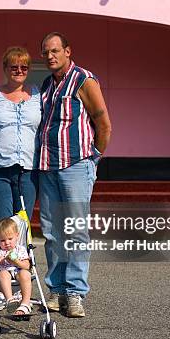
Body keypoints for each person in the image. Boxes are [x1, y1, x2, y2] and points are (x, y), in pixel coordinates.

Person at [37, 32, 112, 318]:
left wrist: (93, 159)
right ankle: (56, 289)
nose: (50, 56)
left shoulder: (84, 80)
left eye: (55, 50)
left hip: (76, 166)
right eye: (45, 52)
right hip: (48, 168)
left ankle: (75, 292)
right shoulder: (46, 84)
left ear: (68, 51)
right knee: (53, 233)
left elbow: (103, 123)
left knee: (76, 231)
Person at [0, 46, 41, 220]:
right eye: (14, 66)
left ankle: (24, 250)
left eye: (24, 67)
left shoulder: (39, 96)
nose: (19, 70)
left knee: (22, 222)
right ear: (5, 68)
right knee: (2, 222)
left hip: (28, 170)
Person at [0, 217, 32, 317]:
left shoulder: (20, 249)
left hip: (17, 271)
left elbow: (27, 265)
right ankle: (10, 300)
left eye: (10, 239)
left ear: (17, 236)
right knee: (4, 274)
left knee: (26, 273)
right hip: (2, 271)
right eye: (2, 240)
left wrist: (16, 261)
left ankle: (25, 303)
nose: (7, 243)